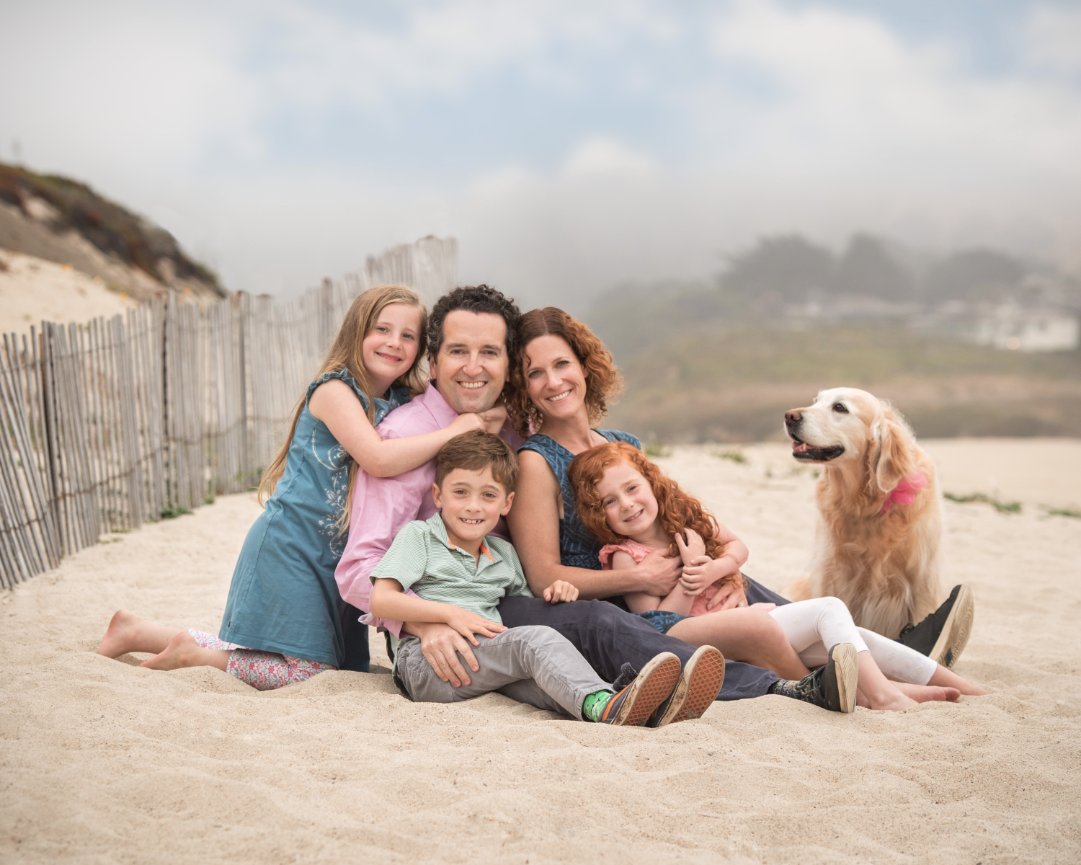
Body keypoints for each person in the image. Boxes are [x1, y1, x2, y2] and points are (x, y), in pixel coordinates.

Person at [503, 306, 974, 710]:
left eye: (562, 364)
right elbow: (545, 576)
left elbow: (679, 521)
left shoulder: (624, 445)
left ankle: (905, 666)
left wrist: (720, 573)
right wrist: (642, 578)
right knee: (773, 625)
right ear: (523, 385)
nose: (553, 381)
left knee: (779, 603)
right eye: (535, 373)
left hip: (686, 578)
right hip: (628, 600)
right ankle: (847, 682)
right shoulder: (537, 460)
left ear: (584, 366)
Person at [335, 284, 754, 721]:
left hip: (506, 594)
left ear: (507, 365)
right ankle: (743, 684)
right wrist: (423, 622)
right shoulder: (406, 436)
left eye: (490, 353)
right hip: (445, 618)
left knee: (717, 579)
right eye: (458, 351)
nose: (474, 367)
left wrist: (721, 566)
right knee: (590, 622)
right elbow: (357, 568)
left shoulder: (514, 428)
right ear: (433, 361)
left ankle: (810, 655)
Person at [97, 284, 503, 690]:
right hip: (293, 543)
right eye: (382, 330)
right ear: (356, 332)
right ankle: (195, 653)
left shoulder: (399, 400)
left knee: (339, 667)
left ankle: (139, 632)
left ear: (421, 352)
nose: (394, 343)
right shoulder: (335, 391)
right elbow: (377, 458)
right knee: (307, 672)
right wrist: (453, 433)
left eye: (408, 336)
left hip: (335, 553)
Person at [568, 441, 988, 711]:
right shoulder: (623, 556)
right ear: (596, 514)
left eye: (632, 488)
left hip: (737, 615)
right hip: (692, 634)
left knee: (852, 638)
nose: (626, 504)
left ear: (651, 481)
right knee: (828, 609)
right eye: (608, 501)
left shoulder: (686, 519)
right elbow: (657, 623)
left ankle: (954, 685)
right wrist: (689, 577)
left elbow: (738, 549)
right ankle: (880, 694)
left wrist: (715, 566)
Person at [369, 430, 719, 725]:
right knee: (532, 642)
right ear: (438, 496)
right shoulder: (421, 537)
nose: (473, 506)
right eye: (460, 492)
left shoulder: (503, 555)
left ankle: (631, 710)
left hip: (481, 660)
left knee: (549, 682)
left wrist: (558, 590)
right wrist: (448, 614)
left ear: (506, 504)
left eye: (487, 495)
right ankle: (609, 704)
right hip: (429, 662)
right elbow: (381, 599)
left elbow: (529, 605)